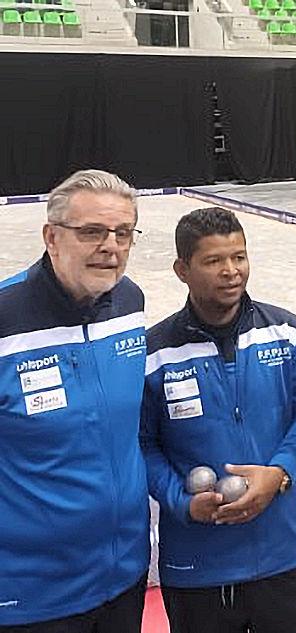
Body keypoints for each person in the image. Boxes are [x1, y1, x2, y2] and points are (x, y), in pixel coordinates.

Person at [140, 207, 296, 633]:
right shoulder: (154, 355)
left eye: (239, 257)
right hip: (197, 566)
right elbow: (144, 445)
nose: (231, 271)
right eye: (213, 261)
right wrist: (182, 502)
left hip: (284, 554)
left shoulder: (286, 332)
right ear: (181, 269)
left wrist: (279, 472)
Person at [0, 170, 150, 630]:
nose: (111, 246)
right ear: (51, 237)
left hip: (125, 574)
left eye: (123, 233)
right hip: (31, 594)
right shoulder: (5, 319)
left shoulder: (129, 303)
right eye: (92, 232)